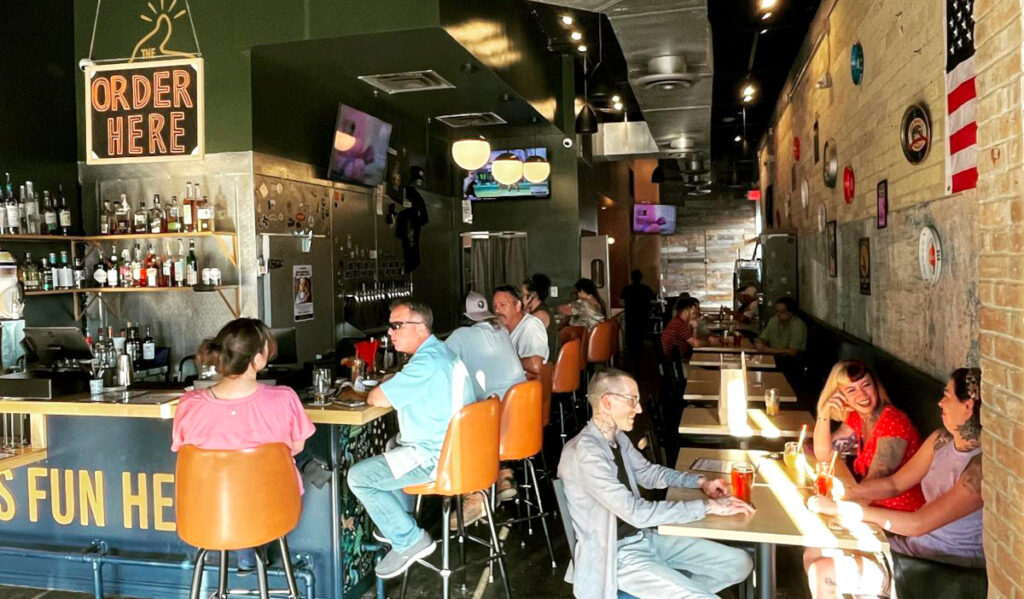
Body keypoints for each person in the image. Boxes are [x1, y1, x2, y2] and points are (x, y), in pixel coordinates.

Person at [558, 369, 754, 599]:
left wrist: (700, 482)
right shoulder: (584, 453)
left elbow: (649, 473)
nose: (639, 409)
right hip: (615, 555)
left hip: (644, 539)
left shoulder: (616, 438)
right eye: (633, 400)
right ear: (607, 402)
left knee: (740, 563)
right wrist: (708, 506)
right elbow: (635, 513)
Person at [804, 368, 985, 598]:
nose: (940, 402)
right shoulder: (941, 440)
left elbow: (918, 524)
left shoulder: (980, 468)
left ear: (967, 406)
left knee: (823, 572)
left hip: (940, 568)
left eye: (947, 395)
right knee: (814, 548)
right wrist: (847, 493)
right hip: (909, 548)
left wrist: (843, 509)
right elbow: (894, 484)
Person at [171, 318, 315, 573]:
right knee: (298, 464)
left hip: (206, 515)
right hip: (272, 512)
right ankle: (250, 550)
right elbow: (296, 446)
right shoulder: (283, 399)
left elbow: (182, 449)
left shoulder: (189, 404)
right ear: (258, 360)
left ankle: (245, 555)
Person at [347, 300, 476, 579]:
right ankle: (395, 521)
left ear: (420, 328)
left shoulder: (425, 363)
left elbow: (376, 398)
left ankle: (408, 539)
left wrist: (387, 384)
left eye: (396, 326)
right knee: (392, 444)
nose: (390, 333)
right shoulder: (442, 353)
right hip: (460, 452)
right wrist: (399, 378)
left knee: (359, 477)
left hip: (435, 458)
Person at [445, 291, 528, 520]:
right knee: (483, 408)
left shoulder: (461, 335)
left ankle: (475, 495)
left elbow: (436, 363)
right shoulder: (501, 332)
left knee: (458, 421)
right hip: (520, 425)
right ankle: (504, 474)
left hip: (494, 424)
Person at [813, 360, 926, 512]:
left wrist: (834, 507)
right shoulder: (860, 417)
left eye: (866, 385)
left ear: (875, 386)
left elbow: (874, 485)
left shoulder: (893, 422)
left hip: (896, 515)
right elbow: (824, 455)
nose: (862, 395)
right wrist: (824, 413)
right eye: (851, 390)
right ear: (839, 396)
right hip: (871, 508)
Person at [493, 285, 549, 378]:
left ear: (518, 306)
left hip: (525, 388)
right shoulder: (501, 328)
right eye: (494, 306)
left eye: (502, 305)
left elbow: (535, 365)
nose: (497, 310)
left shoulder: (531, 326)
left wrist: (505, 360)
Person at [620, 270, 656, 368]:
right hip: (642, 317)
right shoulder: (646, 289)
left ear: (631, 277)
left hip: (630, 317)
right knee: (640, 340)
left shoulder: (626, 289)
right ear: (641, 277)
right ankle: (639, 361)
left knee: (631, 340)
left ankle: (631, 361)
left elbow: (622, 303)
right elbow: (653, 302)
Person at [521, 273, 558, 359]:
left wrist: (523, 311)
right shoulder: (540, 310)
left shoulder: (539, 315)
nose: (521, 298)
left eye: (523, 294)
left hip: (545, 364)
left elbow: (520, 330)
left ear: (531, 296)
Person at [660, 296, 704, 365]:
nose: (698, 313)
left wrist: (694, 328)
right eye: (695, 310)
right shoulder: (678, 324)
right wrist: (709, 342)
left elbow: (692, 347)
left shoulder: (680, 322)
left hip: (677, 363)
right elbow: (696, 344)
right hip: (674, 367)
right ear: (688, 311)